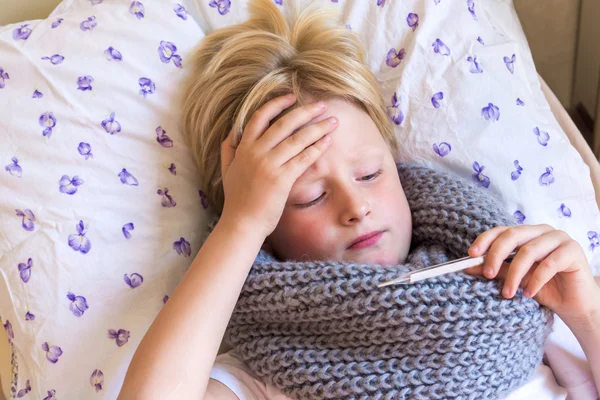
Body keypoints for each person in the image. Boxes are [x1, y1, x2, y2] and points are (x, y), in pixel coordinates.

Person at [117, 0, 600, 399]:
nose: (356, 206)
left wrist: (587, 312)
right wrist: (239, 226)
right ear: (266, 226)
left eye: (370, 173)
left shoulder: (520, 297)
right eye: (308, 198)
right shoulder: (264, 371)